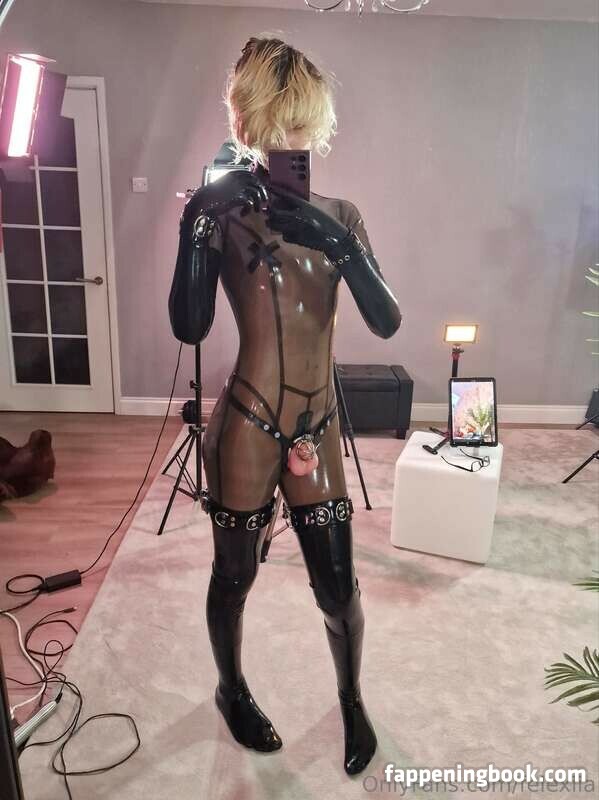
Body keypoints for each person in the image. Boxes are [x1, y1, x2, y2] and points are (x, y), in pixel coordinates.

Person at [168, 34, 402, 775]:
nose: (287, 143)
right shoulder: (223, 216)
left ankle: (352, 699)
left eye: (298, 127)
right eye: (274, 129)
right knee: (233, 576)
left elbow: (387, 322)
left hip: (317, 426)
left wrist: (340, 244)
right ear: (250, 128)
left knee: (337, 587)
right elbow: (190, 327)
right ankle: (229, 689)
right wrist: (196, 224)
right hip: (246, 422)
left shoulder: (342, 216)